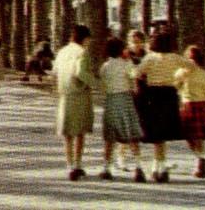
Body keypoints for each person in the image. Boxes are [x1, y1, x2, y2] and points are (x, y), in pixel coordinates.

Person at [133, 32, 187, 183]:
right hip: (169, 94)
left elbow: (137, 73)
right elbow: (190, 66)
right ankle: (159, 167)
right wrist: (179, 80)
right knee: (163, 134)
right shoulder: (175, 57)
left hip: (153, 95)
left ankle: (158, 168)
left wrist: (142, 82)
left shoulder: (150, 58)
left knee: (156, 134)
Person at [98, 37, 145, 182]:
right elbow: (136, 75)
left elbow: (104, 85)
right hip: (125, 99)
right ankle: (138, 167)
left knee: (110, 137)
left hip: (111, 100)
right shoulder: (126, 64)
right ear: (121, 50)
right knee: (131, 134)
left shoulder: (105, 66)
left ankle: (106, 168)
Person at [53, 25, 97, 181]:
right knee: (80, 131)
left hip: (64, 95)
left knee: (67, 133)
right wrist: (96, 84)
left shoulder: (62, 51)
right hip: (79, 94)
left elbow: (55, 71)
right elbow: (80, 73)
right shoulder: (82, 52)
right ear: (84, 38)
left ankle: (69, 165)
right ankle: (78, 165)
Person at [174, 45, 205, 178]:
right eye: (189, 58)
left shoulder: (203, 74)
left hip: (195, 104)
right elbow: (174, 84)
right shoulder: (183, 72)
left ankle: (200, 159)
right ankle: (200, 158)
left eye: (193, 58)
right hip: (191, 104)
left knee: (196, 136)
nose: (191, 61)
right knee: (190, 135)